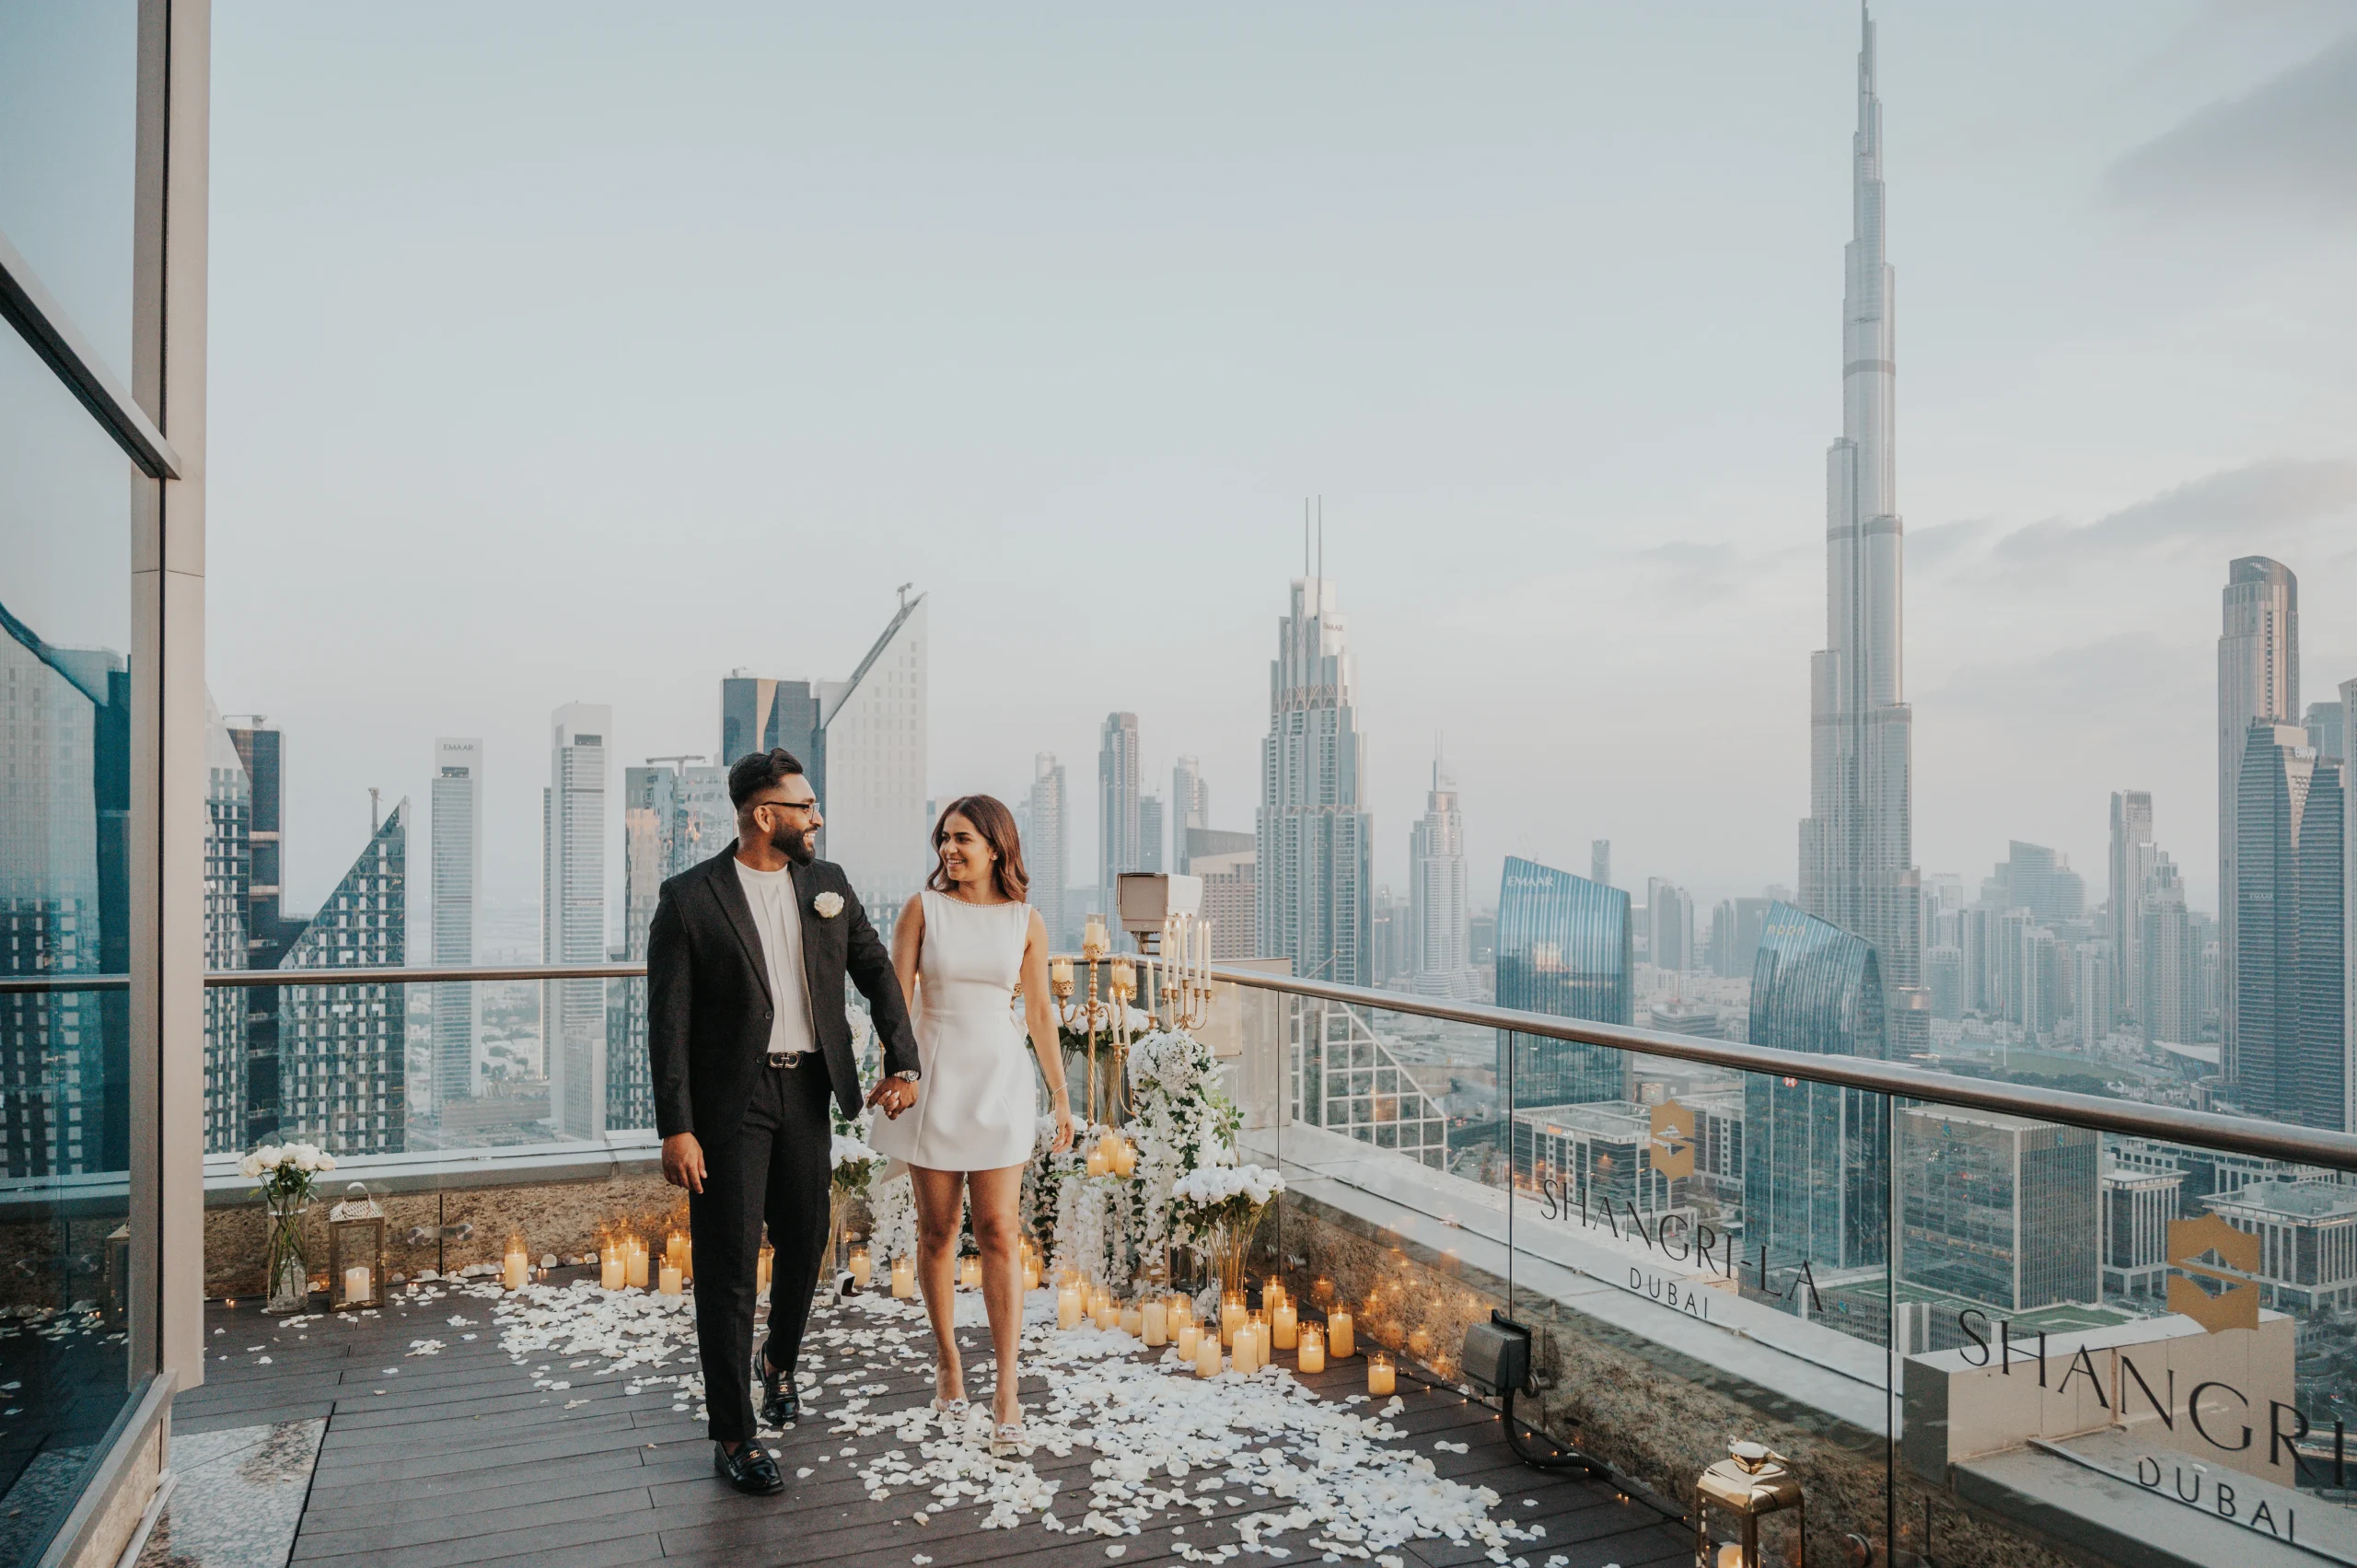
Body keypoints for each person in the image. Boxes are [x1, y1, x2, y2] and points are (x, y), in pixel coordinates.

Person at [646, 748, 922, 1497]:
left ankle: (778, 1360)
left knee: (805, 1242)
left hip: (807, 1097)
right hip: (729, 1109)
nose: (818, 818)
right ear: (766, 816)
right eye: (806, 807)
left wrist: (904, 1059)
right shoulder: (689, 898)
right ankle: (734, 1434)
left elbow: (875, 972)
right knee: (730, 1268)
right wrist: (678, 1125)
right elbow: (666, 1024)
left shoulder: (827, 885)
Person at [867, 794, 1074, 1447]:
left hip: (1001, 1081)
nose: (949, 850)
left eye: (962, 839)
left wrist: (1062, 1098)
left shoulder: (1026, 920)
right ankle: (948, 1359)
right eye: (944, 839)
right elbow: (895, 1003)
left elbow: (1040, 1013)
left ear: (995, 846)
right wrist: (896, 1071)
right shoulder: (921, 910)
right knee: (938, 1230)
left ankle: (1007, 1387)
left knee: (1000, 1231)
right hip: (933, 1076)